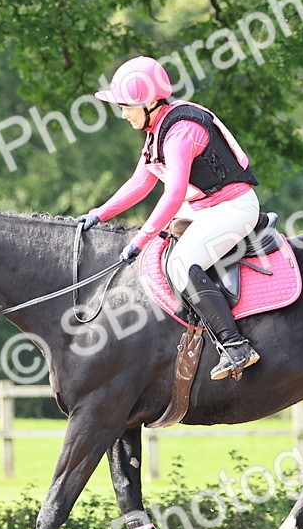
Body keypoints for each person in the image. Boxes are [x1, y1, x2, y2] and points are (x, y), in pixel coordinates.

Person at [79, 56, 262, 380]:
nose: (123, 114)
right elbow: (141, 182)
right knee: (156, 255)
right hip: (202, 206)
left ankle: (235, 346)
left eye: (127, 106)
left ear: (150, 101)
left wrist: (140, 239)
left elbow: (174, 193)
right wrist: (98, 214)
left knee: (181, 263)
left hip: (232, 207)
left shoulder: (180, 131)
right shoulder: (156, 129)